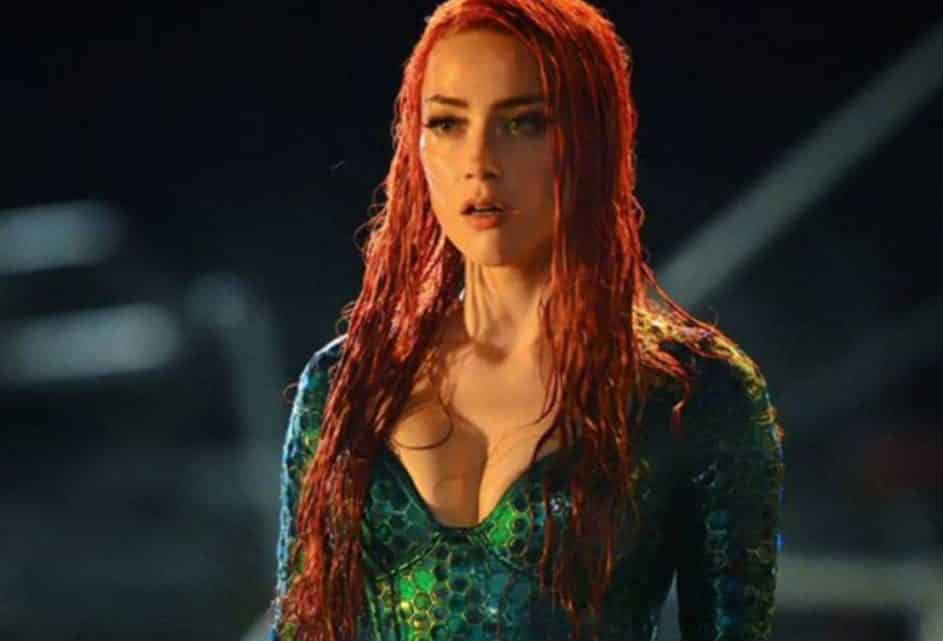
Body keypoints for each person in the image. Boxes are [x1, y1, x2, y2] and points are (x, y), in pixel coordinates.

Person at [270, 0, 785, 639]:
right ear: (414, 144)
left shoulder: (693, 393)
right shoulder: (345, 384)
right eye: (447, 122)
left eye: (523, 123)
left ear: (593, 140)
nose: (479, 161)